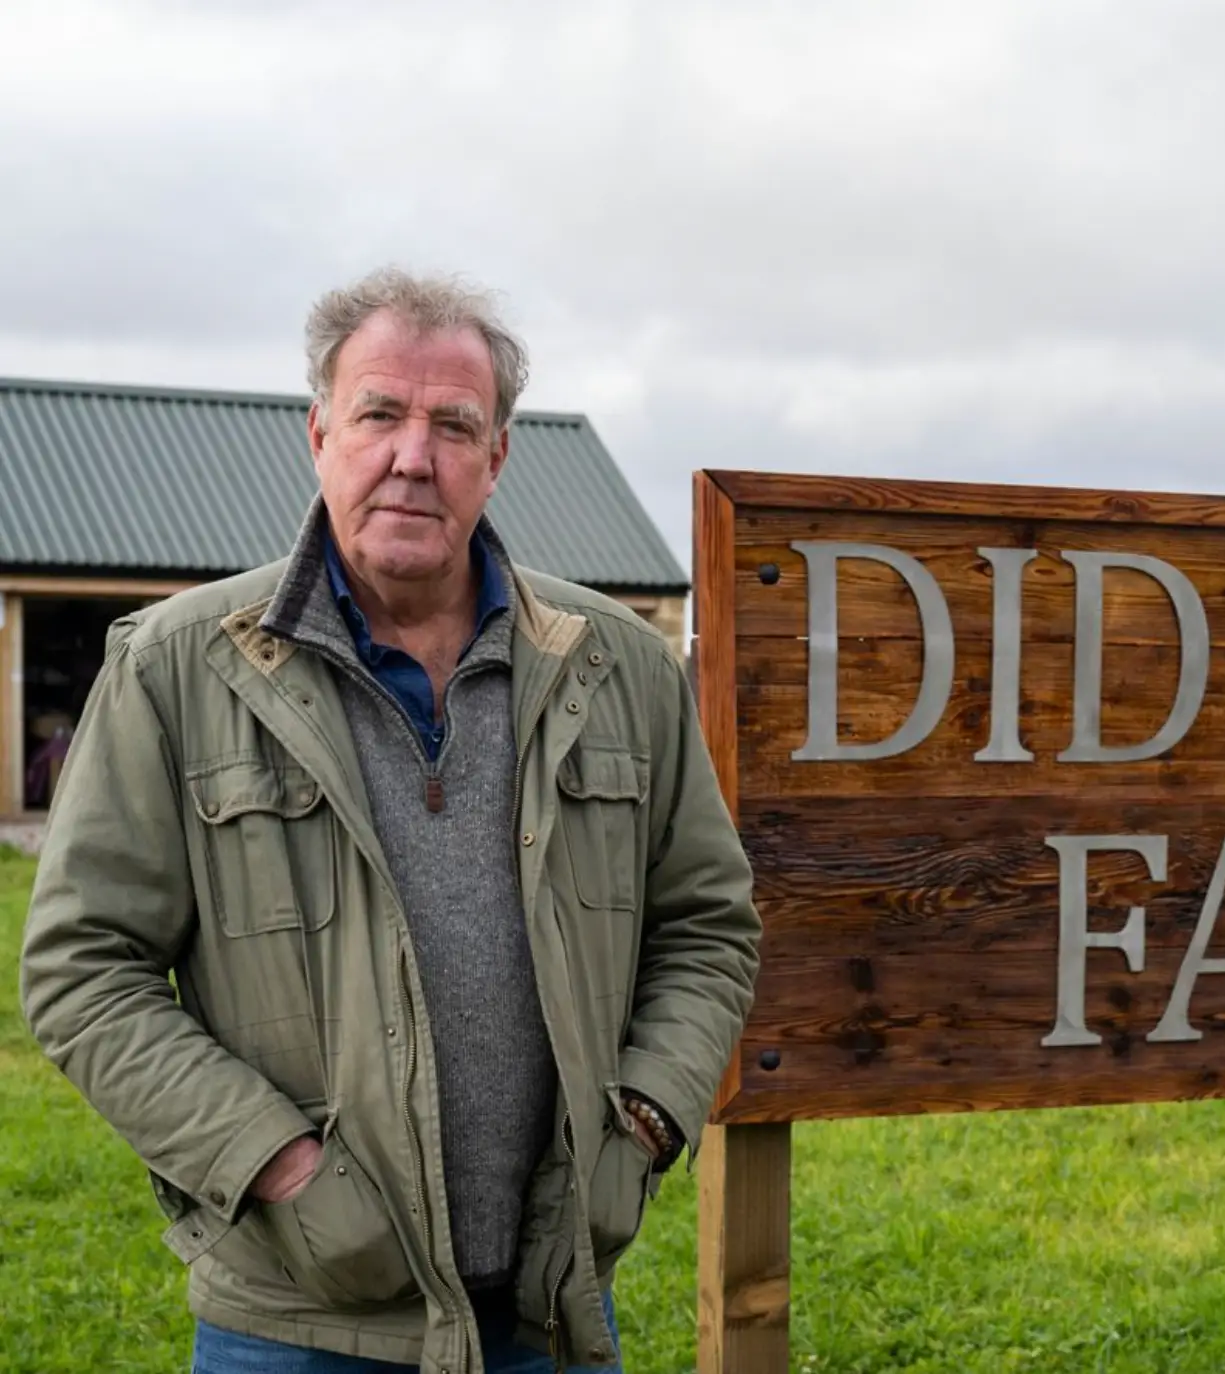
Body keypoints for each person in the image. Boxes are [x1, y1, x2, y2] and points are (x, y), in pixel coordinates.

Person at [18, 268, 762, 1373]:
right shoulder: (176, 667)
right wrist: (277, 1163)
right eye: (379, 414)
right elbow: (83, 969)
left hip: (551, 1314)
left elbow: (709, 924)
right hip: (295, 1321)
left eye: (453, 425)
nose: (413, 456)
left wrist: (643, 1118)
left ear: (498, 458)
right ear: (319, 433)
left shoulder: (618, 668)